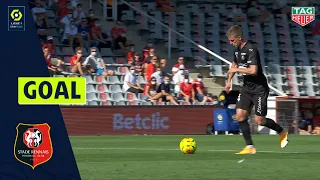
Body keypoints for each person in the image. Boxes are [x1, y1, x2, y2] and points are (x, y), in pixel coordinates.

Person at [225, 25, 288, 154]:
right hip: (247, 88)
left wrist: (236, 70)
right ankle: (250, 147)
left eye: (232, 40)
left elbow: (253, 71)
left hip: (259, 89)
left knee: (260, 120)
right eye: (229, 41)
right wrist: (229, 81)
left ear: (239, 37)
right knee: (240, 116)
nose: (230, 43)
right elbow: (234, 64)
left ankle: (281, 131)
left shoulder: (251, 49)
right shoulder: (236, 49)